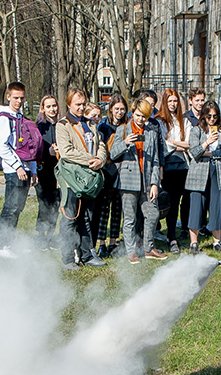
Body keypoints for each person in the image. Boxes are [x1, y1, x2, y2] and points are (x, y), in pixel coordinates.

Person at [55, 89, 108, 269]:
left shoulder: (90, 124)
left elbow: (101, 145)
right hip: (72, 178)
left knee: (87, 217)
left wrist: (100, 159)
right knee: (70, 217)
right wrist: (89, 159)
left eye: (83, 104)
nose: (81, 107)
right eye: (77, 104)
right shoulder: (63, 125)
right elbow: (66, 152)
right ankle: (68, 258)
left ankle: (86, 254)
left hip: (89, 179)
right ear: (69, 104)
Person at [110, 98, 166, 263]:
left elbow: (156, 160)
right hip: (128, 181)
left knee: (153, 213)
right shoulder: (123, 130)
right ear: (132, 113)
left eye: (145, 116)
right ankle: (131, 251)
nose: (141, 119)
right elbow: (113, 154)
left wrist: (155, 183)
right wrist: (125, 143)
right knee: (130, 218)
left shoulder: (151, 132)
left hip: (147, 180)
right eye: (138, 115)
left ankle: (149, 248)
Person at [185, 99, 221, 253]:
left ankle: (217, 241)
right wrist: (206, 143)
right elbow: (194, 152)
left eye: (215, 116)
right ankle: (194, 243)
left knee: (216, 206)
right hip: (199, 173)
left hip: (216, 171)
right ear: (203, 116)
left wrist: (210, 153)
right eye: (209, 116)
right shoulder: (196, 130)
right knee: (197, 206)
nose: (212, 119)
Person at [0, 82, 33, 256]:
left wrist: (33, 170)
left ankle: (10, 242)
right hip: (13, 170)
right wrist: (17, 166)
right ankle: (2, 246)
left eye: (22, 98)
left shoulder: (21, 118)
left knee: (18, 208)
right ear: (8, 97)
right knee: (10, 207)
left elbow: (29, 146)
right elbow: (2, 147)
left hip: (25, 169)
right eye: (16, 98)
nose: (19, 101)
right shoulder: (5, 118)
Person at [157, 89, 192, 253]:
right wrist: (179, 144)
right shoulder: (159, 122)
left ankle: (173, 236)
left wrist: (174, 143)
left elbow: (189, 143)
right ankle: (167, 235)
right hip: (167, 167)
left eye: (175, 101)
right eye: (170, 101)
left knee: (177, 202)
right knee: (167, 202)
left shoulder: (183, 121)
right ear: (165, 102)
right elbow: (164, 145)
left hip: (182, 166)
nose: (173, 104)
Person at [93, 95, 127, 257]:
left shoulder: (128, 126)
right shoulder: (103, 126)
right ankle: (101, 243)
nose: (119, 112)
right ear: (111, 109)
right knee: (104, 208)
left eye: (122, 109)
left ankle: (113, 242)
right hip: (107, 170)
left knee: (117, 208)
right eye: (117, 109)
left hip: (123, 171)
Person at [34, 96, 62, 247]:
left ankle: (51, 235)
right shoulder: (38, 127)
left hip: (59, 170)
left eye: (54, 106)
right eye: (48, 106)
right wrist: (47, 151)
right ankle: (41, 235)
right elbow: (35, 149)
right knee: (44, 203)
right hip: (43, 170)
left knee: (56, 203)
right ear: (43, 109)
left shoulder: (61, 125)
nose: (52, 109)